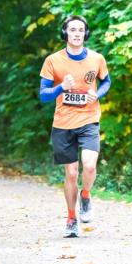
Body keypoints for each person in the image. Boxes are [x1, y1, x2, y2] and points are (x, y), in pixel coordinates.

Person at [39, 15, 112, 238]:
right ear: (65, 33)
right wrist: (62, 87)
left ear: (86, 34)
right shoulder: (53, 60)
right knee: (71, 173)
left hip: (89, 119)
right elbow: (43, 95)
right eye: (73, 30)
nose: (77, 33)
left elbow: (106, 81)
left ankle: (86, 196)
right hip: (63, 123)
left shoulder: (97, 58)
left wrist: (96, 94)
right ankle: (71, 219)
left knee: (89, 166)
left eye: (81, 30)